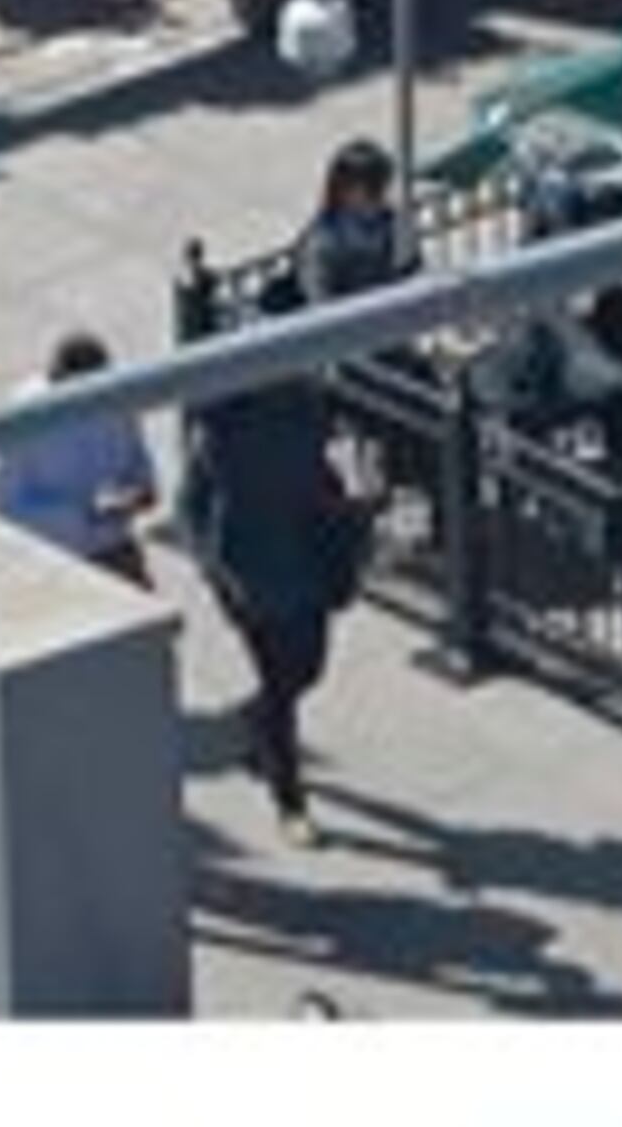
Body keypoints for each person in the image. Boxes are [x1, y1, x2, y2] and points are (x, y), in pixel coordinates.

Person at [179, 278, 370, 838]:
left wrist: (346, 502)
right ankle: (290, 802)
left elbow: (321, 469)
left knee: (307, 669)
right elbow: (192, 502)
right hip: (250, 572)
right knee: (283, 685)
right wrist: (214, 565)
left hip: (305, 560)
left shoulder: (308, 404)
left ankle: (258, 721)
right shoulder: (224, 425)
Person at [0, 329, 161, 587]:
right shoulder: (25, 416)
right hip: (53, 558)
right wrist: (83, 514)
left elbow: (137, 456)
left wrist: (142, 490)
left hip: (113, 544)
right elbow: (6, 506)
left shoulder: (117, 397)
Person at [298, 137, 410, 304]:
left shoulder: (391, 223)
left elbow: (408, 272)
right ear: (344, 190)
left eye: (382, 188)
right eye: (372, 190)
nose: (381, 198)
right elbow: (318, 298)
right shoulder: (324, 239)